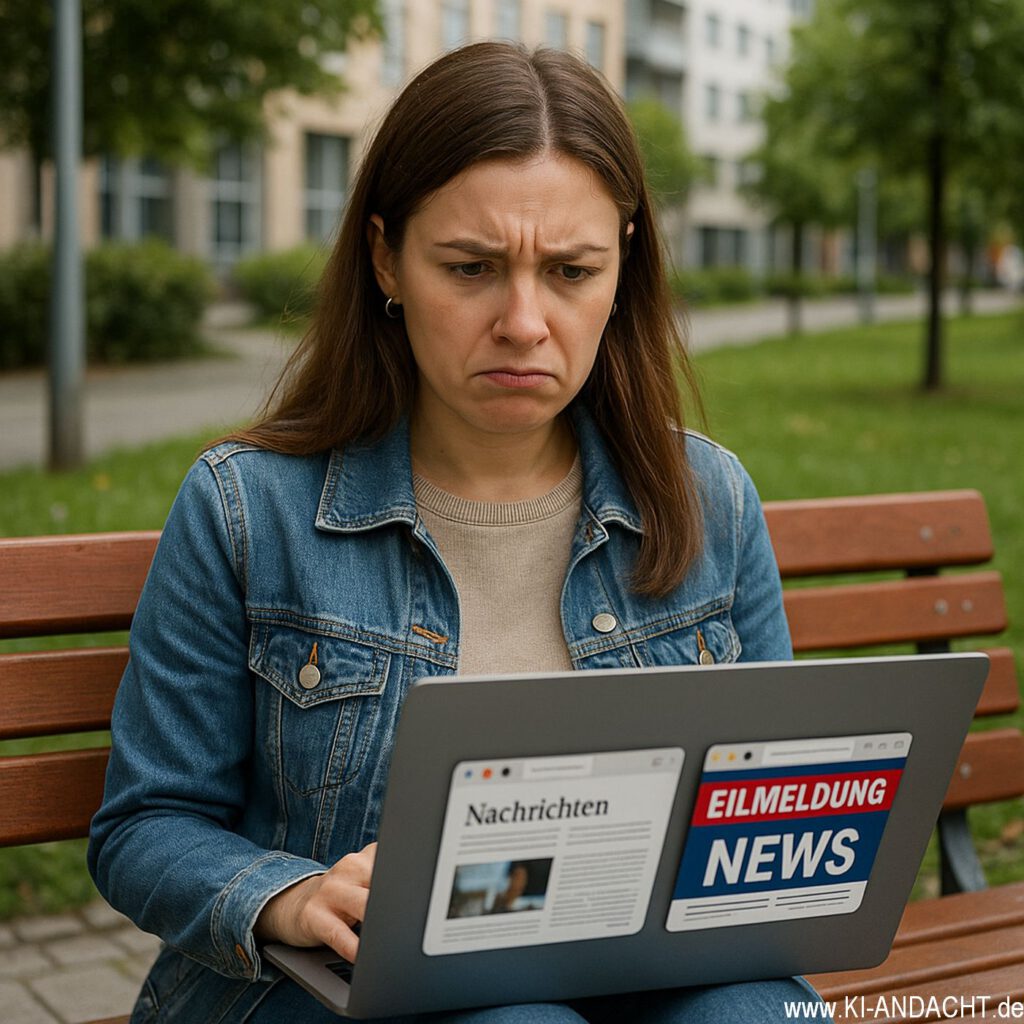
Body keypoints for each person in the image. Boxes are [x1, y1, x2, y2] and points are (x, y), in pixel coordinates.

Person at [88, 41, 830, 1024]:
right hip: (324, 991)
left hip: (631, 975)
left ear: (624, 267)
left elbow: (769, 798)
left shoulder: (706, 495)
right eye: (471, 267)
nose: (524, 321)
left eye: (571, 270)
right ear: (386, 257)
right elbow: (146, 825)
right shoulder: (248, 507)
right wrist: (295, 897)